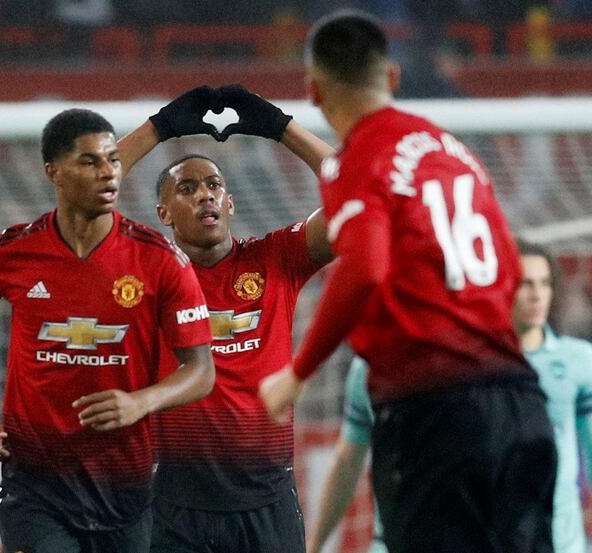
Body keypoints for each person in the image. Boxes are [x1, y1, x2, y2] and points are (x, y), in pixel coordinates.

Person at [259, 10, 557, 553]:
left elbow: (365, 266)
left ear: (314, 91)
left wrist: (297, 373)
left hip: (435, 417)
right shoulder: (455, 152)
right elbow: (508, 268)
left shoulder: (355, 160)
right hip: (521, 406)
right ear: (392, 77)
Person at [0, 108, 215, 553]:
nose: (108, 173)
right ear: (54, 171)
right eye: (89, 162)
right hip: (34, 484)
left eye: (112, 159)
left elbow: (201, 371)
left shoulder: (160, 260)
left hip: (127, 483)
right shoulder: (8, 253)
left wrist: (141, 401)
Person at [116, 85, 334, 553]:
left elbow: (361, 192)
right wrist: (159, 128)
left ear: (231, 204)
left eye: (214, 186)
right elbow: (83, 200)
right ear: (163, 214)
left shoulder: (277, 259)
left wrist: (279, 127)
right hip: (171, 502)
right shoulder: (147, 274)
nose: (205, 197)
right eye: (187, 189)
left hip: (268, 500)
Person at [514, 240, 592, 553]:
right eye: (526, 284)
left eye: (545, 284)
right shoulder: (477, 364)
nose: (537, 295)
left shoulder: (578, 360)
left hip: (563, 541)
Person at [306, 358, 387, 553]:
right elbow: (346, 464)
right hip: (388, 540)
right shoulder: (365, 368)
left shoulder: (463, 357)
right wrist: (314, 545)